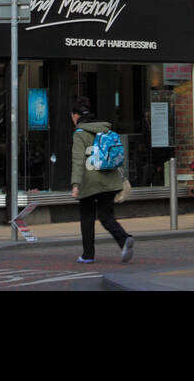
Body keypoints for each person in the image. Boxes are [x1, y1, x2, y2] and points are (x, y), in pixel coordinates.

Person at [70, 97, 133, 266]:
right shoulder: (104, 130)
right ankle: (124, 239)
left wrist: (75, 184)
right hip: (110, 179)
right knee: (106, 217)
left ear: (75, 116)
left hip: (89, 181)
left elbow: (77, 161)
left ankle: (88, 254)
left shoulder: (79, 134)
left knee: (87, 218)